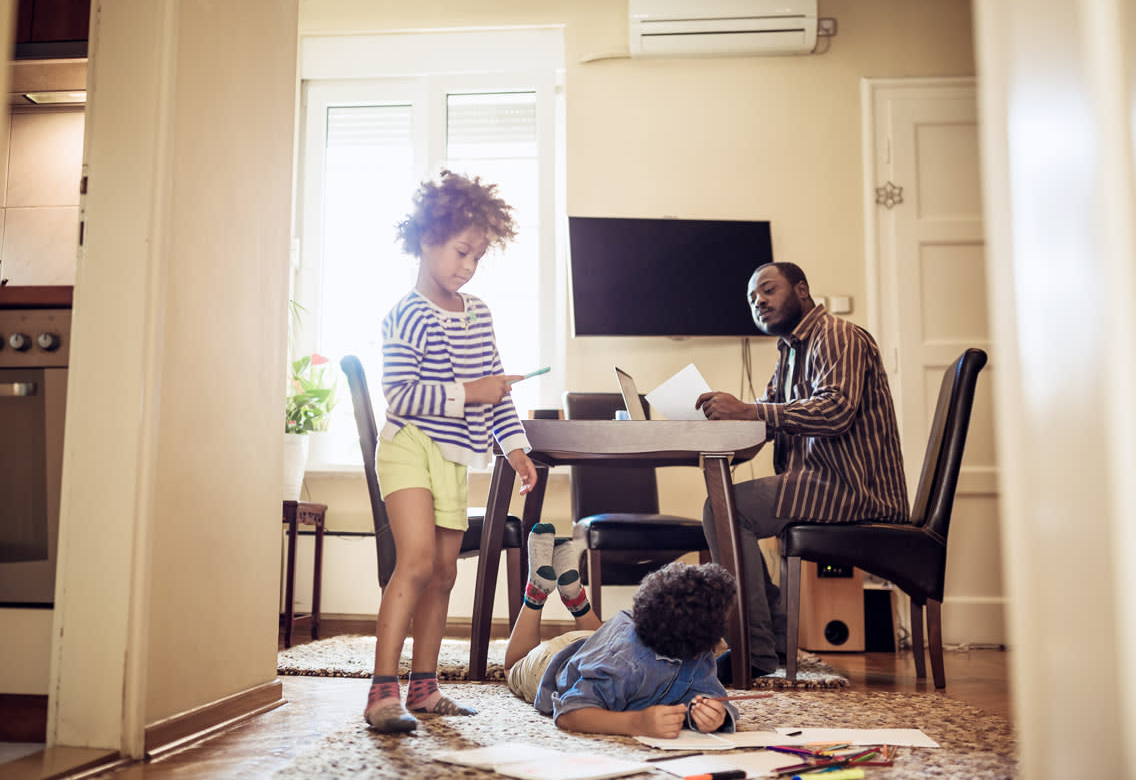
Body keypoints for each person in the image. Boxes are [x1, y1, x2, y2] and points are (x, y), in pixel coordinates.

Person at [364, 170, 540, 733]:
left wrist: (514, 449)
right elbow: (401, 394)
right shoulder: (406, 313)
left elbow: (497, 393)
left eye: (478, 257)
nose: (468, 266)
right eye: (462, 251)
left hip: (456, 455)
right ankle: (380, 692)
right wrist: (473, 392)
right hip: (408, 448)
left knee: (443, 573)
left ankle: (424, 689)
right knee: (415, 561)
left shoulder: (480, 313)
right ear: (426, 239)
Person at [695, 261, 908, 680]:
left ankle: (755, 653)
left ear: (802, 289)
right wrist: (720, 429)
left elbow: (836, 411)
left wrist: (750, 410)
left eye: (768, 290)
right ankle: (771, 640)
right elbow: (764, 423)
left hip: (850, 486)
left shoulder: (839, 336)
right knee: (723, 507)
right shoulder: (790, 352)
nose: (759, 302)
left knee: (724, 510)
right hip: (817, 482)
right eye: (753, 298)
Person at [504, 524, 740, 738]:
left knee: (607, 645)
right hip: (552, 659)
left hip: (597, 640)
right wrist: (636, 723)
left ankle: (576, 599)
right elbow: (569, 713)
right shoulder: (623, 666)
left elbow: (713, 697)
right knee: (511, 668)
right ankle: (536, 592)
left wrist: (717, 715)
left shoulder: (697, 655)